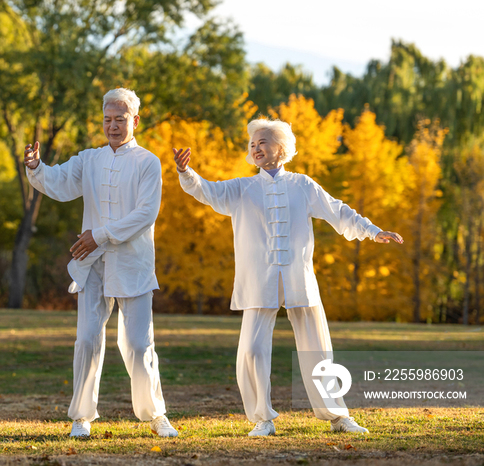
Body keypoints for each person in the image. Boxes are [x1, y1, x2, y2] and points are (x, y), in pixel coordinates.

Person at [173, 118, 403, 437]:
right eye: (252, 143)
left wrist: (373, 231)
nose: (255, 147)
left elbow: (339, 211)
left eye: (262, 142)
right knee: (252, 350)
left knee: (317, 349)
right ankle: (262, 419)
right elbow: (207, 191)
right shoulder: (242, 188)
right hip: (258, 280)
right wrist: (186, 172)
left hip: (299, 277)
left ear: (281, 149)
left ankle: (338, 417)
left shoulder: (303, 185)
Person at [23, 88, 177, 438]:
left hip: (134, 264)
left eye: (120, 120)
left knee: (138, 344)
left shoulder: (148, 163)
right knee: (88, 339)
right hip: (91, 263)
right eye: (107, 120)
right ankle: (82, 416)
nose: (113, 126)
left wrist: (100, 234)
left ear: (135, 121)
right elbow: (60, 183)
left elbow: (145, 215)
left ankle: (155, 415)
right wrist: (36, 167)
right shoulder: (88, 159)